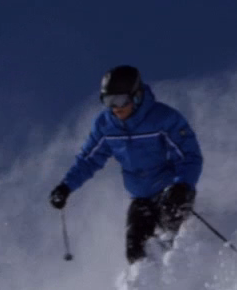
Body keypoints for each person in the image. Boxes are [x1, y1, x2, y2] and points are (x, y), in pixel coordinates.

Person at [49, 65, 204, 262]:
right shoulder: (105, 126)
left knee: (172, 234)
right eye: (108, 101)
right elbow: (88, 160)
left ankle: (191, 272)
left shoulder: (163, 119)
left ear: (136, 96)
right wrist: (66, 186)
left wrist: (183, 185)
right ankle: (149, 289)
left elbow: (189, 156)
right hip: (141, 198)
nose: (116, 108)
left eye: (120, 100)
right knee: (135, 253)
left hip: (171, 193)